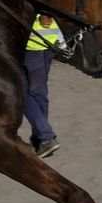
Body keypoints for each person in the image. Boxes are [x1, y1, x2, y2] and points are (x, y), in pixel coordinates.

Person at [24, 14, 62, 159]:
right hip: (46, 44)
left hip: (34, 45)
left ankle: (45, 137)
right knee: (39, 93)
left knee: (26, 92)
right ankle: (40, 139)